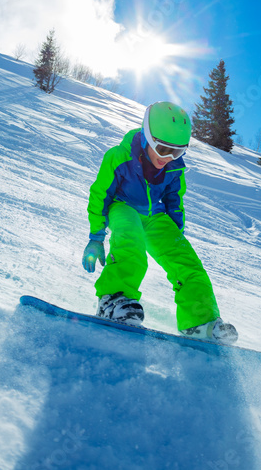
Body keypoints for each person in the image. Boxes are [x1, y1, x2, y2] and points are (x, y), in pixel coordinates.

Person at [81, 101, 238, 343]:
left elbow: (175, 201)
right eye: (164, 149)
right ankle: (113, 300)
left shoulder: (174, 168)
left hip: (155, 215)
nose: (169, 158)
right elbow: (100, 195)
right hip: (122, 206)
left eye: (178, 152)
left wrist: (175, 239)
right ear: (147, 137)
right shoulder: (119, 158)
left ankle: (199, 321)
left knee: (187, 263)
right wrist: (96, 237)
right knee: (130, 243)